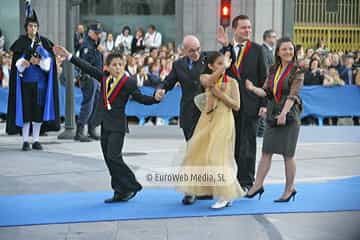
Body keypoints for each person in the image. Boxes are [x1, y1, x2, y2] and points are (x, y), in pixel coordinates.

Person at [53, 45, 161, 203]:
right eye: (114, 65)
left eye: (120, 64)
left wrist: (155, 98)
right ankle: (119, 191)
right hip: (105, 124)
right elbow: (87, 67)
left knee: (114, 156)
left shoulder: (128, 82)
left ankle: (131, 184)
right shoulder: (104, 77)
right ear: (107, 67)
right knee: (108, 159)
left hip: (118, 126)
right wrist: (69, 56)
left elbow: (141, 98)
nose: (117, 68)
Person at [176, 51, 245, 209]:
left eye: (224, 63)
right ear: (210, 66)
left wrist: (219, 94)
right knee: (199, 154)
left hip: (224, 119)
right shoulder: (204, 77)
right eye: (219, 63)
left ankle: (225, 195)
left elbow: (237, 105)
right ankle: (221, 190)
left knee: (217, 156)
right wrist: (221, 72)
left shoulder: (233, 82)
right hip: (207, 120)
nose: (223, 66)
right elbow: (209, 83)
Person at [244, 37, 304, 202]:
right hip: (272, 116)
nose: (288, 52)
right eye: (284, 49)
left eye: (290, 49)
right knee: (266, 152)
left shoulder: (297, 71)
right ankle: (257, 185)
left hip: (289, 117)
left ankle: (289, 189)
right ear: (278, 52)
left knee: (288, 155)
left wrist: (284, 113)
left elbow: (292, 95)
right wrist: (252, 88)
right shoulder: (273, 69)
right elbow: (266, 92)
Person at [155, 35, 209, 205]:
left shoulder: (208, 60)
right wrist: (162, 89)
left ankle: (203, 188)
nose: (196, 53)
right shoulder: (178, 65)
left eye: (198, 49)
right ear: (184, 50)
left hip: (206, 112)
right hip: (188, 114)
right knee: (192, 151)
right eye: (192, 50)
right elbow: (169, 81)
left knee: (205, 152)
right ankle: (190, 190)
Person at [217, 14, 267, 191]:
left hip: (251, 104)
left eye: (249, 27)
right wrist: (224, 47)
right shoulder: (227, 49)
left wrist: (263, 104)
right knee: (234, 144)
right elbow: (221, 69)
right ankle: (234, 179)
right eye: (244, 27)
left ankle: (247, 181)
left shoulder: (257, 49)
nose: (248, 30)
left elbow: (264, 78)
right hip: (230, 104)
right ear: (234, 29)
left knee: (248, 144)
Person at [6, 5, 60, 150]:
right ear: (26, 28)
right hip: (24, 84)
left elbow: (49, 64)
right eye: (30, 26)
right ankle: (25, 140)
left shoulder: (44, 43)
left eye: (35, 26)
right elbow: (16, 65)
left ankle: (36, 140)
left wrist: (40, 62)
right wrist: (23, 64)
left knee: (37, 113)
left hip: (40, 85)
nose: (33, 29)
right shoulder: (21, 43)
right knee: (26, 112)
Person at [75, 23, 104, 142]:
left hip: (96, 78)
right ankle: (80, 131)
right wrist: (96, 50)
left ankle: (92, 129)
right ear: (90, 32)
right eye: (96, 33)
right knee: (88, 104)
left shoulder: (95, 44)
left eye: (99, 33)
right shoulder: (87, 45)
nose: (99, 35)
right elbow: (85, 62)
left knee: (96, 104)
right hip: (88, 77)